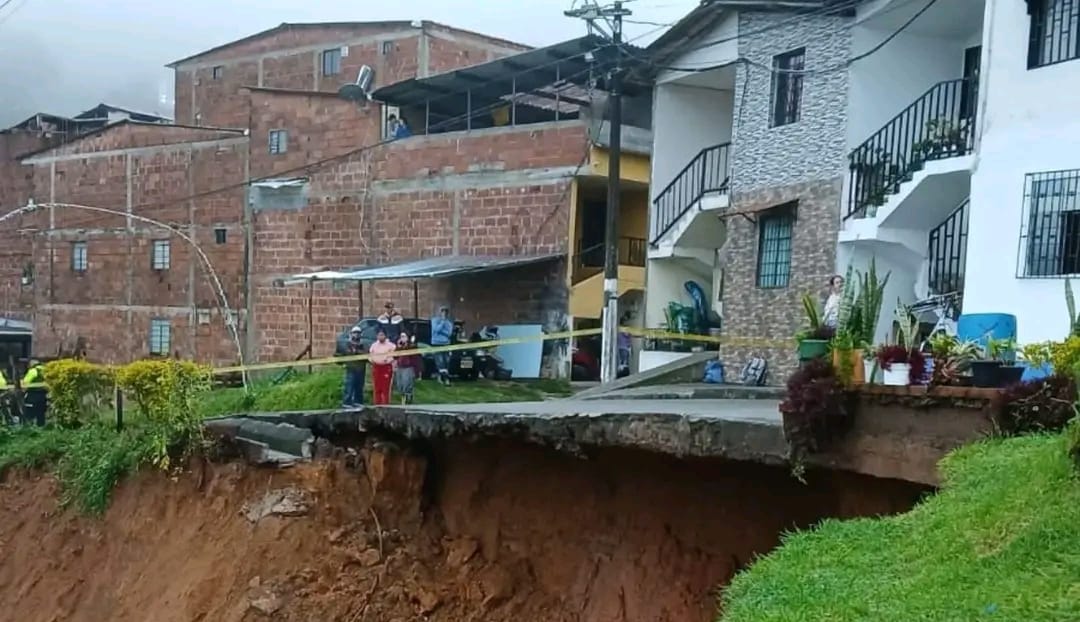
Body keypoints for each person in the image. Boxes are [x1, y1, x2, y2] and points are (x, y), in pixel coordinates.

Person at [336, 326, 368, 408]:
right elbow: (340, 354)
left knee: (359, 387)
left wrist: (356, 351)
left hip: (361, 369)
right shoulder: (346, 344)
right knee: (349, 387)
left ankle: (358, 402)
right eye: (355, 333)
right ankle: (347, 403)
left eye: (358, 333)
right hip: (350, 368)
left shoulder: (364, 345)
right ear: (351, 334)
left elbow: (366, 355)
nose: (356, 335)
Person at [369, 329, 397, 405]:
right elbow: (370, 356)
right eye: (379, 335)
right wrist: (373, 360)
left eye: (382, 335)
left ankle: (386, 405)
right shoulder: (374, 345)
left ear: (385, 335)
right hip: (376, 367)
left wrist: (387, 360)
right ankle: (377, 405)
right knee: (377, 388)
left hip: (386, 368)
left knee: (385, 388)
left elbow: (393, 356)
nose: (380, 337)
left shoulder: (391, 345)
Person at [394, 332, 422, 404]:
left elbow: (416, 358)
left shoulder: (412, 346)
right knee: (400, 385)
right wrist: (398, 347)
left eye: (404, 336)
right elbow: (395, 356)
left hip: (408, 367)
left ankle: (408, 399)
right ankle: (403, 398)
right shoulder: (399, 346)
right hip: (400, 367)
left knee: (407, 384)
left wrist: (418, 371)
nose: (402, 338)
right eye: (401, 337)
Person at [430, 305, 454, 386]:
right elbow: (436, 329)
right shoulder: (434, 320)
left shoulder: (449, 323)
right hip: (436, 344)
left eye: (445, 311)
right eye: (442, 311)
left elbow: (449, 334)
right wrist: (442, 322)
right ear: (439, 312)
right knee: (440, 362)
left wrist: (441, 331)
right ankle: (446, 379)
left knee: (446, 362)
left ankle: (441, 377)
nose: (444, 313)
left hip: (446, 344)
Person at [22, 359, 46, 426]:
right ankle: (41, 426)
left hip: (32, 395)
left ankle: (29, 427)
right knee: (41, 413)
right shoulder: (45, 370)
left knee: (29, 412)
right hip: (43, 394)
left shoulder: (32, 371)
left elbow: (26, 382)